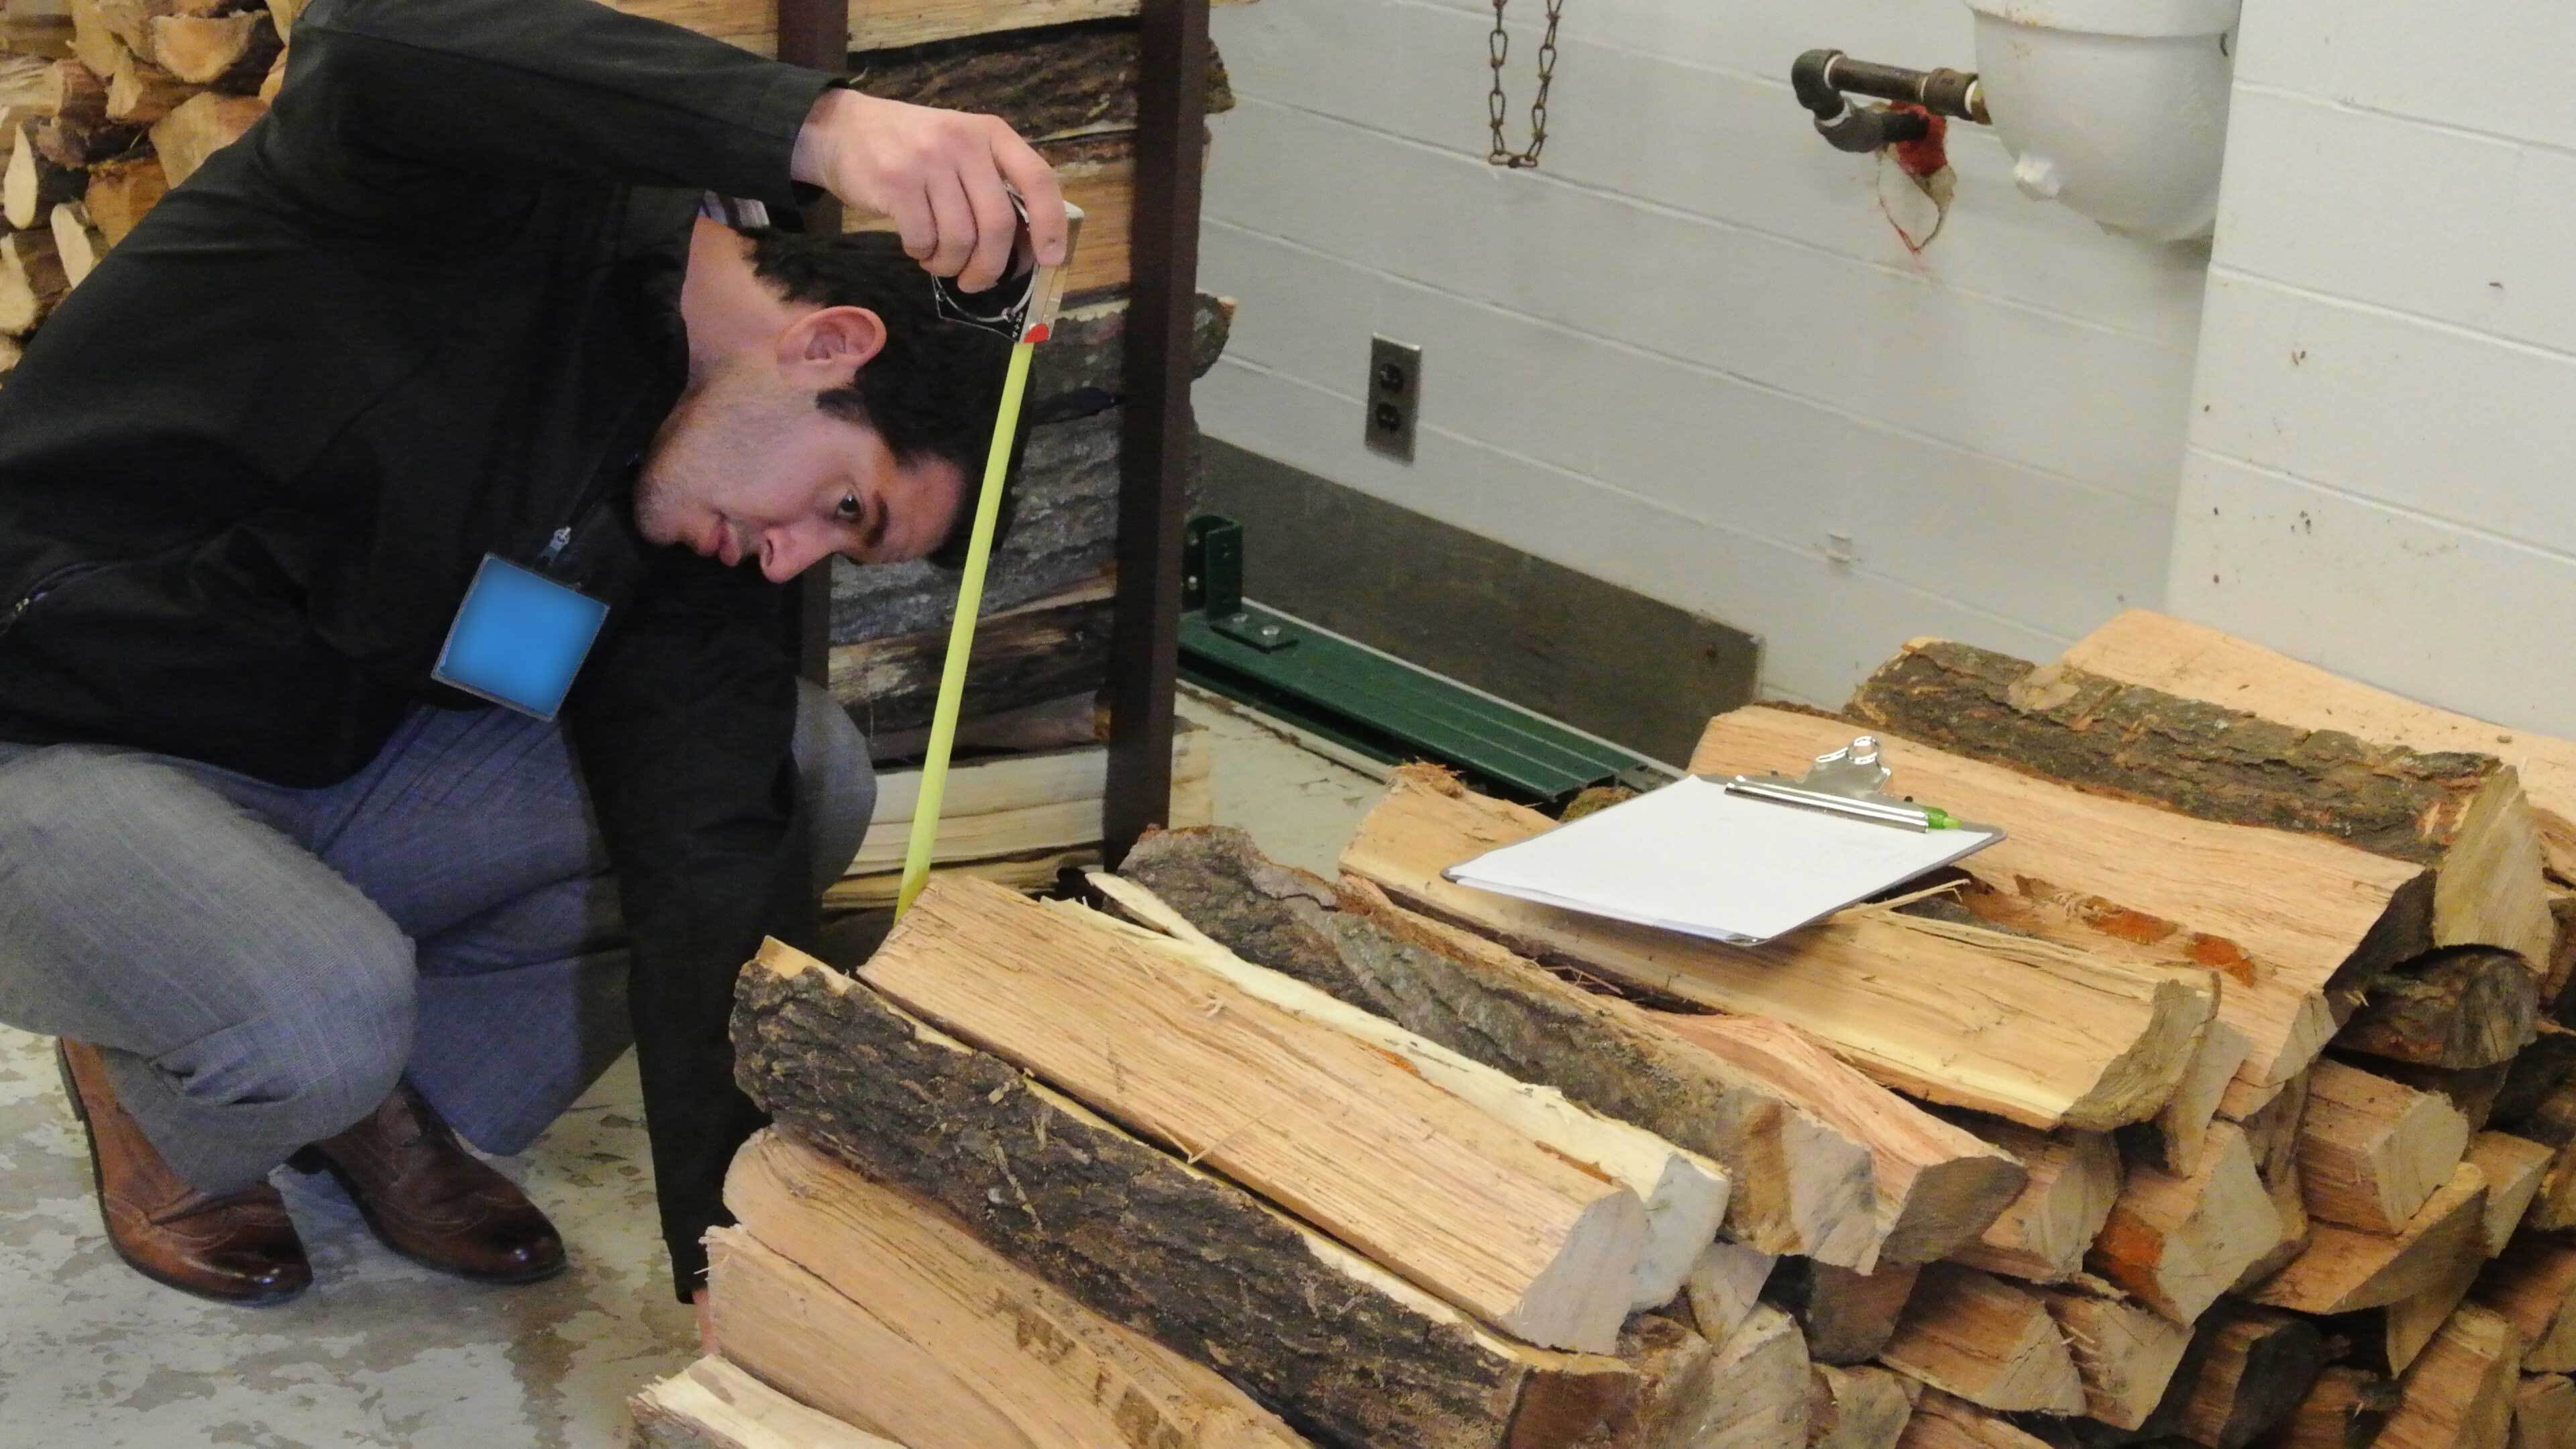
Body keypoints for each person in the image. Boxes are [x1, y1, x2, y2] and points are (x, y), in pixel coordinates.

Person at [0, 0, 1067, 1319]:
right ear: (828, 344)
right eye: (844, 506)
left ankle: (353, 1085)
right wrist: (827, 127)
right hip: (38, 731)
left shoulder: (684, 480)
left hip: (289, 759)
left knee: (800, 770)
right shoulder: (469, 199)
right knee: (317, 1013)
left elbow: (703, 848)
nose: (793, 559)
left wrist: (724, 1266)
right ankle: (171, 1051)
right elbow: (370, 41)